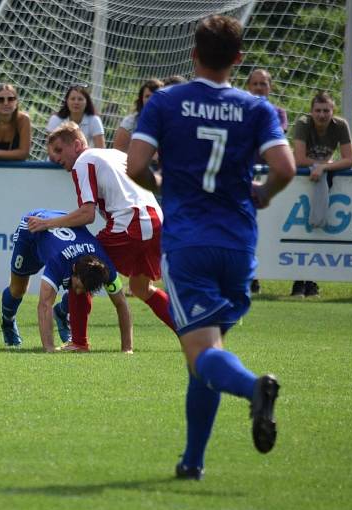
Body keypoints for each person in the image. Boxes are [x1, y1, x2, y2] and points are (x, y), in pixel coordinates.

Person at [127, 15, 296, 480]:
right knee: (203, 353)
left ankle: (254, 388)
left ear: (193, 54)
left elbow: (135, 164)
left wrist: (159, 182)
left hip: (189, 242)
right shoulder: (256, 108)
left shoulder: (166, 101)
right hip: (238, 244)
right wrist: (262, 195)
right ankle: (192, 462)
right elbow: (284, 168)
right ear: (238, 60)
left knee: (203, 352)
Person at [30, 123, 175, 344]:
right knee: (140, 288)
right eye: (52, 154)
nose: (56, 158)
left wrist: (48, 223)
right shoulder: (114, 154)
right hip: (156, 222)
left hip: (130, 223)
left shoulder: (83, 162)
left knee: (81, 267)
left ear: (78, 144)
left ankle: (78, 341)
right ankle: (189, 333)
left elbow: (87, 214)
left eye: (59, 150)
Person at [1, 209, 132, 353]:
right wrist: (50, 348)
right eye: (77, 286)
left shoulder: (105, 267)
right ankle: (8, 321)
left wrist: (127, 349)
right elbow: (44, 305)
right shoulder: (58, 261)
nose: (77, 292)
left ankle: (62, 313)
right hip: (31, 230)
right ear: (74, 268)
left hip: (60, 228)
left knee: (82, 292)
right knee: (18, 289)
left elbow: (121, 303)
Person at [290, 91, 352, 297]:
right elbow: (299, 159)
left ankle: (312, 282)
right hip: (300, 179)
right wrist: (321, 165)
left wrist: (324, 168)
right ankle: (297, 282)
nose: (322, 115)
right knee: (298, 232)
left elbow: (349, 159)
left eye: (326, 110)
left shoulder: (340, 125)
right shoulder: (302, 123)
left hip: (323, 177)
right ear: (311, 112)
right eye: (318, 110)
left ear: (333, 111)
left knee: (319, 229)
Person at [245, 68, 287, 295]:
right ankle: (249, 277)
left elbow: (273, 137)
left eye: (263, 84)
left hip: (268, 180)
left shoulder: (277, 113)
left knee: (267, 230)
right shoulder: (240, 110)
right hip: (246, 177)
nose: (259, 88)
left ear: (270, 87)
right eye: (255, 84)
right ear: (248, 87)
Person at [112, 78, 163, 152]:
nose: (151, 100)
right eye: (147, 96)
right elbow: (118, 153)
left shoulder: (170, 121)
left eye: (155, 96)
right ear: (141, 99)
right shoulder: (129, 122)